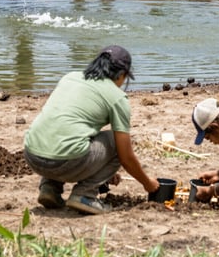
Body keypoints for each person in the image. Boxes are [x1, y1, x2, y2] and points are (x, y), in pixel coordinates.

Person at [24, 45, 160, 214]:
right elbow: (126, 157)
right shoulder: (117, 97)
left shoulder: (70, 77)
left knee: (63, 133)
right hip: (65, 162)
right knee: (115, 141)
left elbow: (72, 126)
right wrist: (147, 183)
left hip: (32, 155)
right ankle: (85, 195)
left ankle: (50, 188)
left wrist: (102, 169)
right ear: (123, 74)